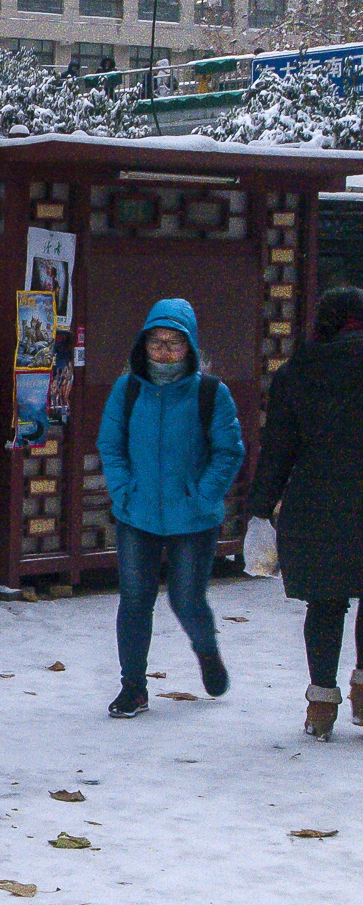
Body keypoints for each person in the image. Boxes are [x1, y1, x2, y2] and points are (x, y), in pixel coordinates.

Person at [95, 298, 244, 718]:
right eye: (156, 342)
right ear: (143, 346)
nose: (163, 350)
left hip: (192, 519)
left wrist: (203, 496)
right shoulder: (127, 390)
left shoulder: (212, 393)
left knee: (186, 599)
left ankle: (206, 649)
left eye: (174, 343)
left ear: (190, 346)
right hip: (137, 514)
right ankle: (133, 688)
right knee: (135, 599)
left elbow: (228, 452)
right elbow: (111, 444)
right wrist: (123, 490)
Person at [244, 286, 363, 739]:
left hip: (316, 504)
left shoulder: (297, 371)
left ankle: (321, 705)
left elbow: (277, 449)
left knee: (326, 603)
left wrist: (259, 510)